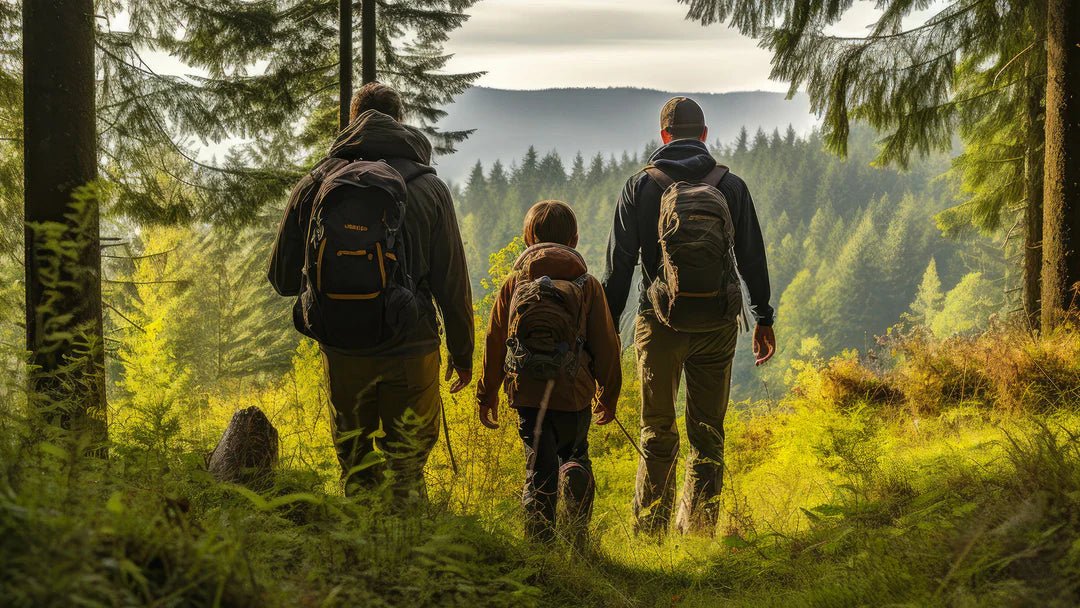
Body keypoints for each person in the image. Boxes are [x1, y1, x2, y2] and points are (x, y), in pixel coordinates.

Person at [268, 82, 474, 500]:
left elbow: (282, 279)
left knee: (357, 467)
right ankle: (409, 554)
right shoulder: (430, 188)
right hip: (411, 346)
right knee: (407, 468)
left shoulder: (317, 183)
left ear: (352, 120)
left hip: (344, 348)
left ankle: (357, 557)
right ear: (400, 123)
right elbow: (451, 278)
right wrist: (463, 352)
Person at [602, 96, 776, 536]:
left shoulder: (640, 187)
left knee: (657, 432)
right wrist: (763, 317)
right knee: (708, 436)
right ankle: (698, 533)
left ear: (663, 136)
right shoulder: (729, 185)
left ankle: (650, 534)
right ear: (703, 134)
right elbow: (752, 257)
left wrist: (600, 335)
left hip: (658, 324)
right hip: (718, 324)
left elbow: (619, 268)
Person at [476, 200, 622, 543]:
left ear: (529, 238)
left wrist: (487, 392)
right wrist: (608, 394)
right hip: (573, 392)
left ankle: (540, 549)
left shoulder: (515, 282)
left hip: (527, 392)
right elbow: (606, 345)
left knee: (538, 468)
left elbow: (495, 340)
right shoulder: (587, 284)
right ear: (573, 239)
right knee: (574, 452)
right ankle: (575, 504)